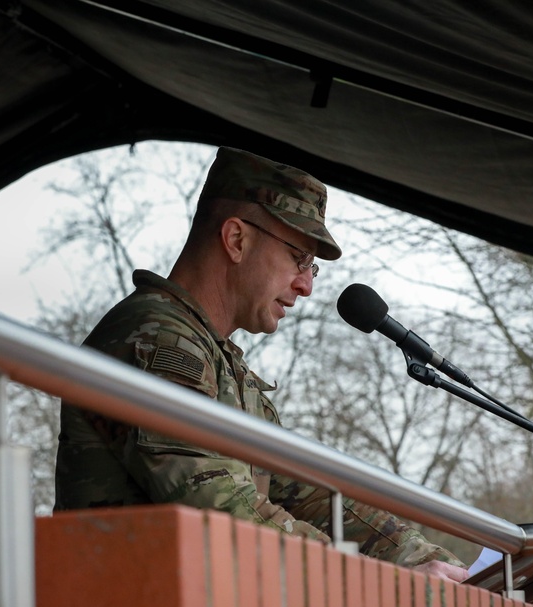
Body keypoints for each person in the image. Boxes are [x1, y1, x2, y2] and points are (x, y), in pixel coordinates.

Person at [54, 146, 468, 581]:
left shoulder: (214, 356)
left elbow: (307, 494)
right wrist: (391, 582)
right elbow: (224, 510)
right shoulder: (155, 339)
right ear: (236, 240)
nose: (306, 285)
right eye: (299, 258)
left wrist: (424, 559)